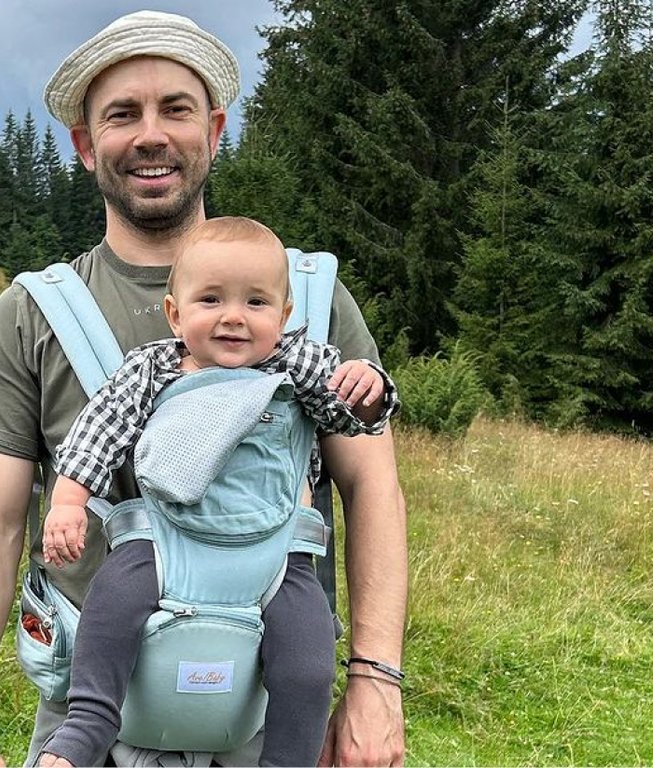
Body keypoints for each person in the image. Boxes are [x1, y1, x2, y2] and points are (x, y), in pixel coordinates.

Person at [0, 9, 407, 767]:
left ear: (213, 131)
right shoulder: (30, 317)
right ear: (85, 145)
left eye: (176, 109)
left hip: (270, 721)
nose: (151, 135)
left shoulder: (311, 303)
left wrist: (376, 681)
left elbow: (372, 486)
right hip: (91, 727)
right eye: (122, 114)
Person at [37, 216, 397, 768]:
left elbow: (347, 414)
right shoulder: (153, 369)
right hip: (165, 544)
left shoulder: (299, 365)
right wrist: (68, 501)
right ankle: (88, 722)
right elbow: (99, 429)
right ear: (175, 313)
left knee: (308, 661)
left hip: (277, 556)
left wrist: (367, 390)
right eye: (210, 299)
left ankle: (288, 761)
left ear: (284, 316)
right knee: (109, 608)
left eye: (256, 302)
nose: (233, 316)